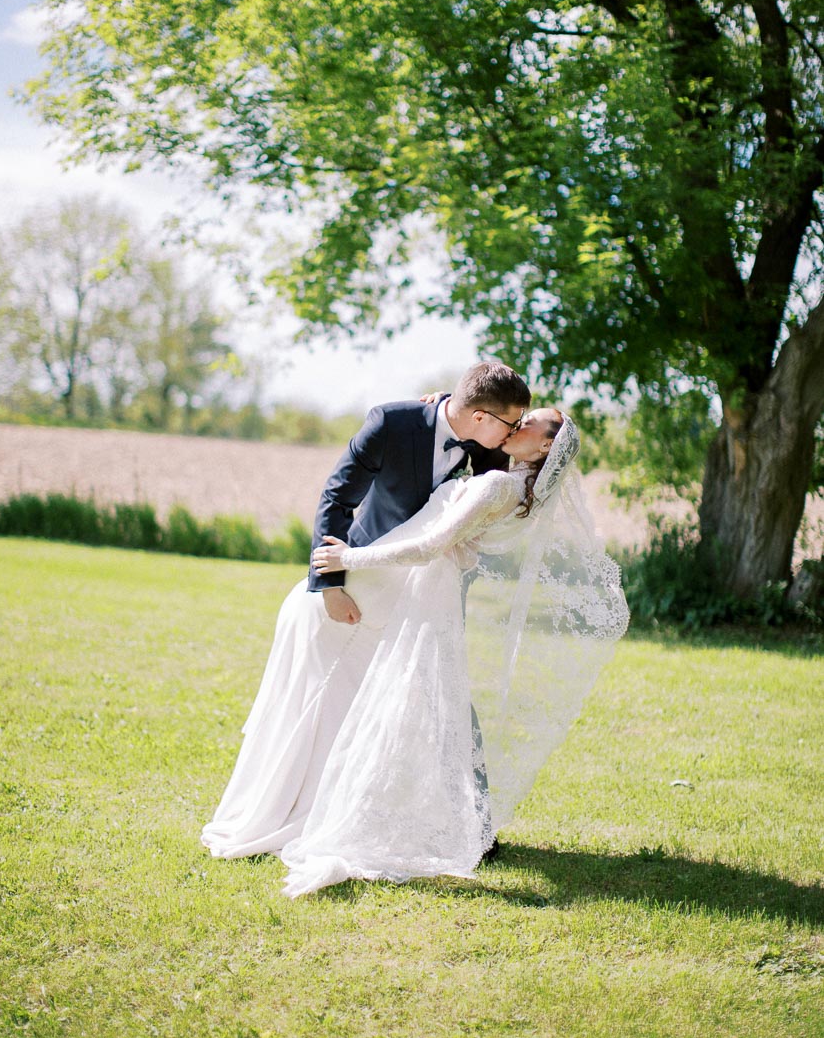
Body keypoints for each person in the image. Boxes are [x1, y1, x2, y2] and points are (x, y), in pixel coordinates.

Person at [201, 401, 629, 897]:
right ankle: (439, 818)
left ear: (546, 445)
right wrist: (448, 408)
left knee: (410, 704)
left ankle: (417, 818)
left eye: (529, 422)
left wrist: (347, 558)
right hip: (405, 591)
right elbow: (453, 501)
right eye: (514, 417)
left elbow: (432, 545)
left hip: (400, 585)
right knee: (405, 703)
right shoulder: (509, 479)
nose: (517, 423)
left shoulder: (496, 482)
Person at [309, 361, 532, 624]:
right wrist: (330, 588)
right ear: (480, 417)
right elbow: (337, 498)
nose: (514, 431)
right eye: (512, 424)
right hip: (364, 573)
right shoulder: (390, 423)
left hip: (433, 591)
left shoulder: (492, 445)